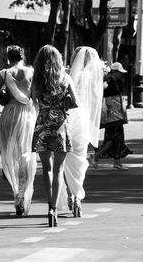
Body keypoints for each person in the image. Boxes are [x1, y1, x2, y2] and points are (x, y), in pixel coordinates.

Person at [31, 44, 79, 227]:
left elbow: (32, 100)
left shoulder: (36, 80)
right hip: (60, 126)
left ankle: (49, 207)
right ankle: (55, 210)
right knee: (59, 169)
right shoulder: (65, 78)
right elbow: (75, 102)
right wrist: (64, 101)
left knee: (46, 169)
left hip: (42, 125)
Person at [0, 45, 37, 217]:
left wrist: (4, 90)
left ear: (9, 57)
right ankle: (23, 195)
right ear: (23, 56)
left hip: (9, 115)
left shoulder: (4, 73)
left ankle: (16, 193)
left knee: (11, 156)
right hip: (28, 116)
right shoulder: (31, 72)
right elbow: (35, 97)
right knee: (26, 155)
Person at [60, 46, 104, 217]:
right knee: (79, 157)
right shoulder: (93, 77)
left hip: (69, 117)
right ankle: (77, 195)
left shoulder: (67, 75)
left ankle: (71, 195)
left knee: (64, 157)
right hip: (84, 119)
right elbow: (96, 98)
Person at [89, 62, 132, 170]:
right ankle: (96, 156)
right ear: (115, 72)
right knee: (113, 138)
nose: (121, 75)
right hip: (112, 114)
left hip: (114, 114)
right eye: (120, 73)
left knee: (116, 138)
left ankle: (116, 163)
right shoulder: (109, 80)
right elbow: (102, 88)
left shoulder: (113, 81)